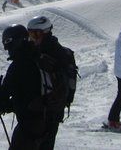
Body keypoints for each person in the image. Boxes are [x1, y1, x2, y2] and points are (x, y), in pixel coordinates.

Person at [28, 15, 73, 150]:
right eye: (30, 34)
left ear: (46, 33)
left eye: (35, 34)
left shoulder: (52, 52)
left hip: (49, 109)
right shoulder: (46, 49)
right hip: (50, 108)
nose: (32, 39)